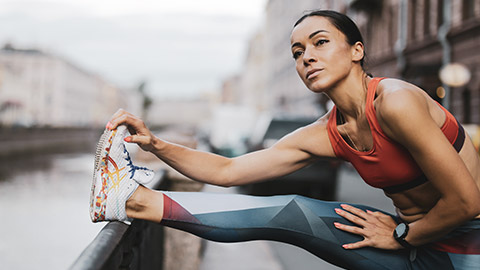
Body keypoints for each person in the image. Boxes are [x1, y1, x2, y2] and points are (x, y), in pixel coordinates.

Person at [90, 10, 480, 269]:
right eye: (298, 51)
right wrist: (156, 144)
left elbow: (466, 201)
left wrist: (401, 235)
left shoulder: (396, 101)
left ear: (357, 50)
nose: (307, 57)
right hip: (409, 241)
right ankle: (130, 200)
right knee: (291, 212)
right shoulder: (328, 132)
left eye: (320, 42)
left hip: (466, 248)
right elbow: (228, 169)